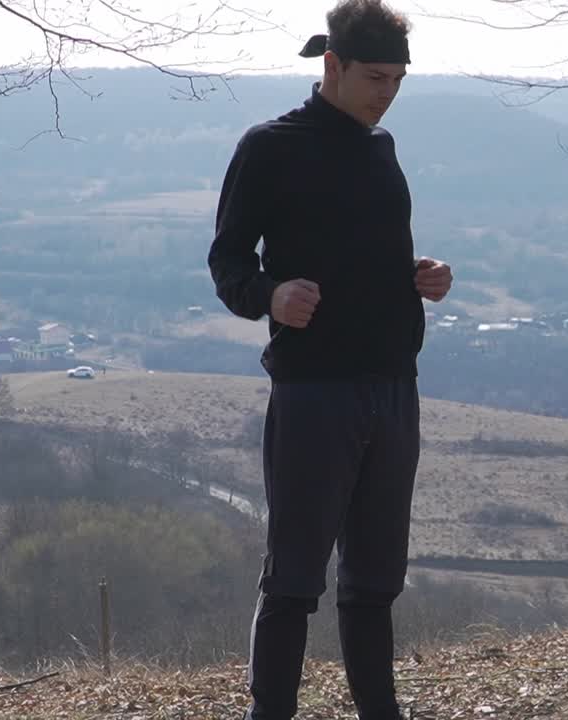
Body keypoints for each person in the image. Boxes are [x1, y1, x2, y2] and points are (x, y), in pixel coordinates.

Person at [206, 2, 452, 718]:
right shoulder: (269, 146)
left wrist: (423, 273)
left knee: (376, 581)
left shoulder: (383, 148)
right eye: (376, 77)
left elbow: (365, 254)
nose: (387, 92)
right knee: (292, 580)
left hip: (393, 387)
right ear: (332, 66)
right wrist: (269, 296)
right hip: (314, 391)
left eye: (399, 80)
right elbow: (226, 263)